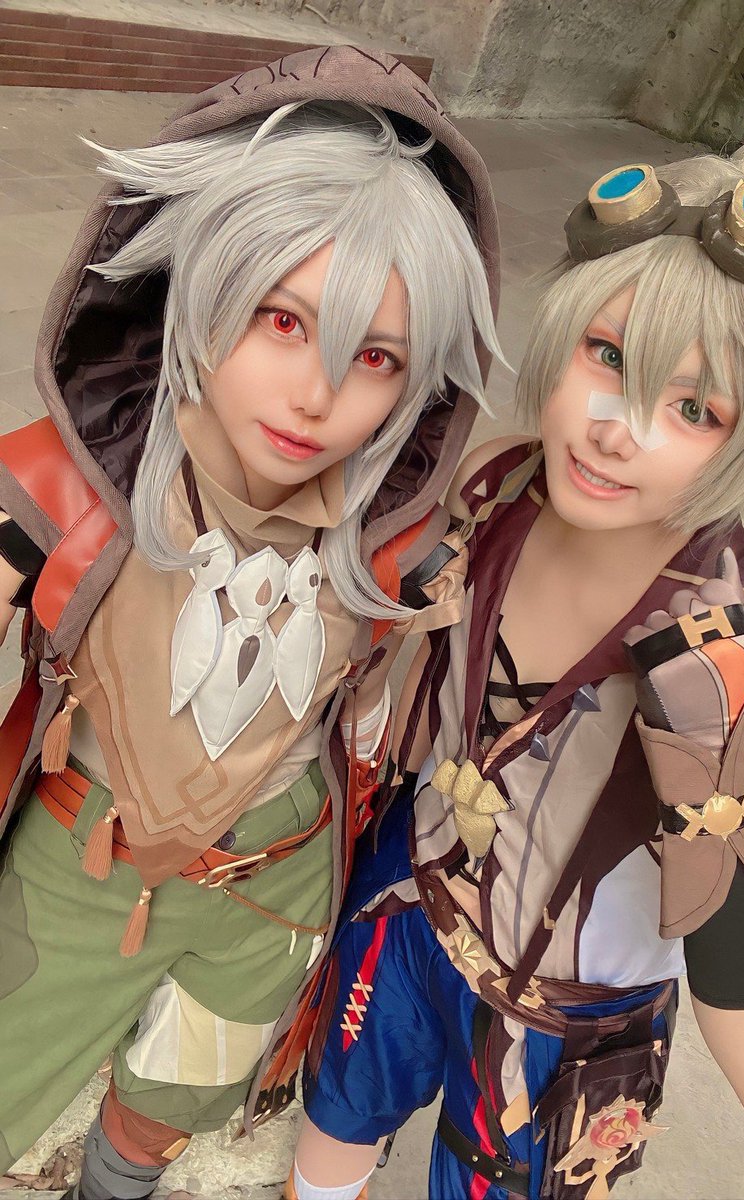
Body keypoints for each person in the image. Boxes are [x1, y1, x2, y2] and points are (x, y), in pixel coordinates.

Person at [292, 144, 744, 1200]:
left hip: (567, 1023)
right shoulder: (495, 486)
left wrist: (716, 805)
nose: (616, 431)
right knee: (330, 1132)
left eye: (696, 409)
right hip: (406, 906)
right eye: (606, 354)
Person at [0, 45, 503, 1200]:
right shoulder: (57, 488)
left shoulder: (402, 540)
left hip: (272, 898)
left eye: (374, 357)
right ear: (202, 284)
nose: (317, 395)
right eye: (283, 320)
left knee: (161, 1121)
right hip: (77, 871)